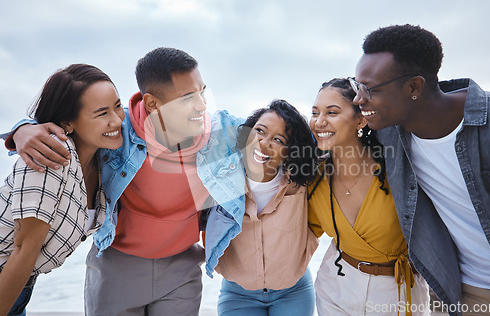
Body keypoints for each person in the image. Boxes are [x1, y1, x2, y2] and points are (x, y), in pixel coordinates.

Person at [6, 48, 247, 316]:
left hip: (182, 268)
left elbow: (275, 129)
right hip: (116, 266)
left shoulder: (222, 133)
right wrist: (23, 129)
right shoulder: (118, 132)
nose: (202, 105)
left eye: (202, 92)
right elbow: (68, 124)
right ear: (153, 104)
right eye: (188, 97)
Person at [351, 24, 490, 316]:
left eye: (369, 89)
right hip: (465, 292)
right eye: (357, 86)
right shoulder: (388, 134)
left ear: (414, 87)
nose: (359, 99)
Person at [0, 64, 125, 315]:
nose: (117, 120)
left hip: (21, 284)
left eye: (117, 106)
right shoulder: (51, 156)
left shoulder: (102, 159)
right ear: (68, 122)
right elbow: (24, 248)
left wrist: (21, 128)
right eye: (101, 113)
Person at [308, 78, 430, 315]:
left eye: (331, 112)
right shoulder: (314, 178)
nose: (319, 122)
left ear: (361, 119)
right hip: (335, 286)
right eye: (315, 112)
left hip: (396, 292)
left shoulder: (397, 171)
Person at [214, 100, 319, 316]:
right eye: (259, 131)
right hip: (237, 294)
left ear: (290, 152)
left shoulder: (302, 185)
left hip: (294, 291)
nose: (263, 142)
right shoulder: (219, 181)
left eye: (278, 140)